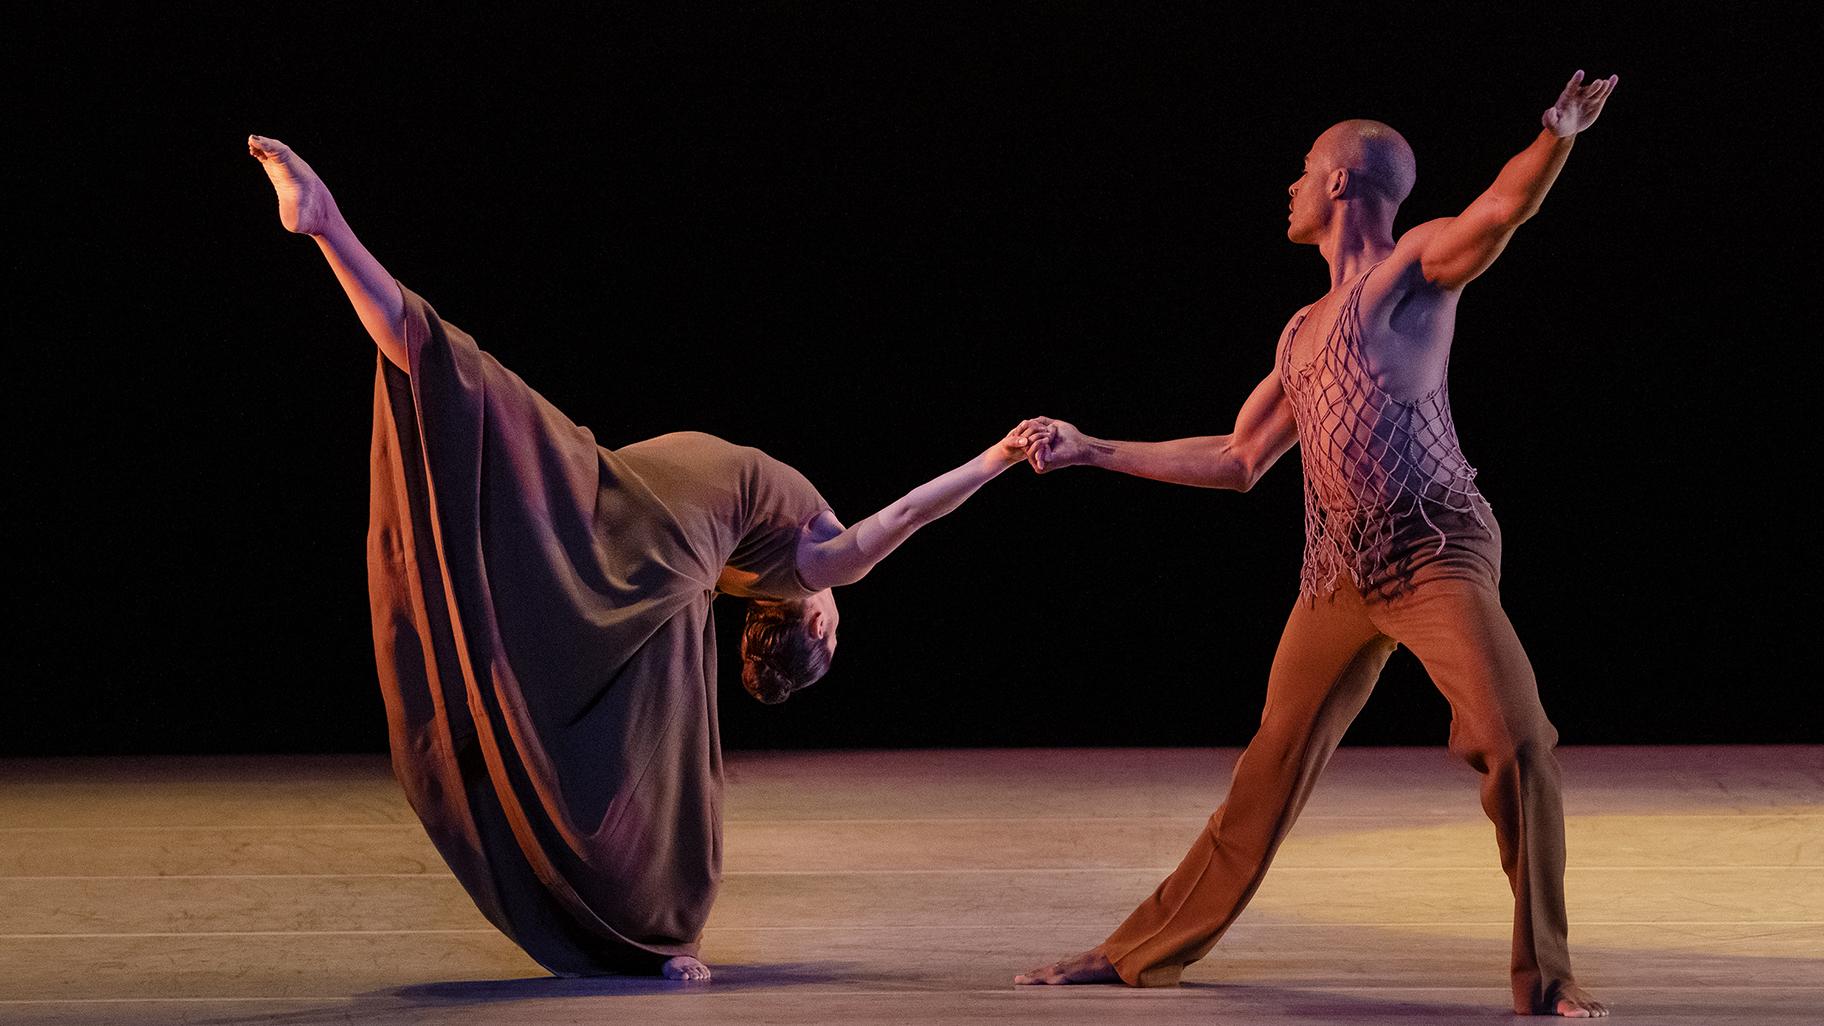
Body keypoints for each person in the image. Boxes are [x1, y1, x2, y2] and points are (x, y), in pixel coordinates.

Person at [248, 135, 1046, 982]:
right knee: (466, 396)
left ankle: (328, 226)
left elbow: (910, 512)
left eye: (836, 637)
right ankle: (327, 227)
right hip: (612, 490)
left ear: (813, 622)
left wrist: (995, 458)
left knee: (467, 389)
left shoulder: (817, 567)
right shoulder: (741, 573)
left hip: (634, 519)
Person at [1012, 71, 1618, 1017]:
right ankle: (1139, 949)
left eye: (1302, 171)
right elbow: (1236, 455)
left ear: (1341, 182)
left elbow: (1500, 211)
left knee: (1517, 744)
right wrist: (1094, 450)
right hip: (1339, 571)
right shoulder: (1301, 332)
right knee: (1269, 765)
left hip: (1433, 547)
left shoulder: (1409, 271)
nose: (1289, 187)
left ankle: (1547, 977)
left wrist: (1556, 135)